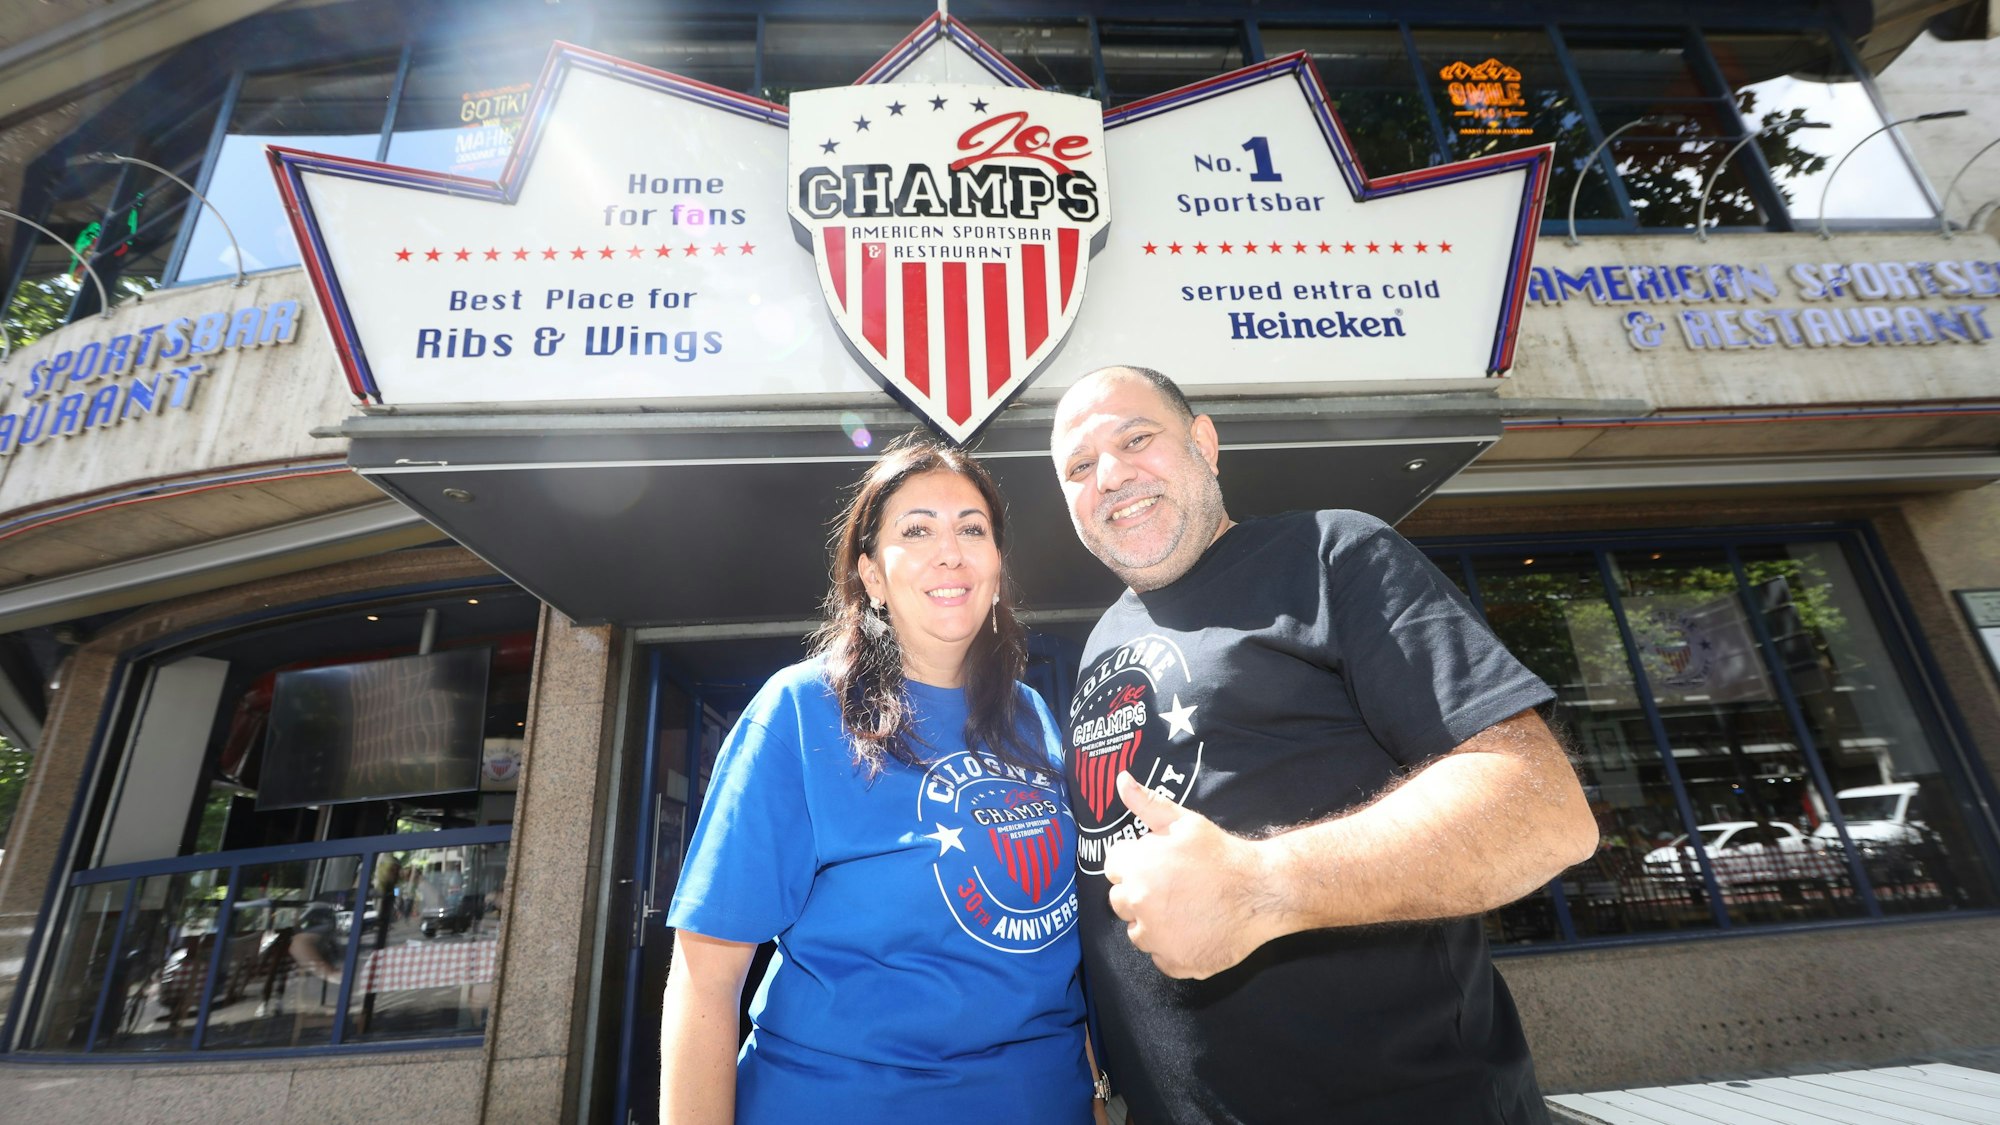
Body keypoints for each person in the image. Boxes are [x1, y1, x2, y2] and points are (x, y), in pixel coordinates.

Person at [1049, 366, 1600, 1125]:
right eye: (1079, 466)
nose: (1110, 475)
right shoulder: (1104, 639)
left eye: (1136, 439)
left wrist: (1262, 884)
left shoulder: (1331, 553)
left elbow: (1541, 809)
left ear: (1204, 442)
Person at [660, 435, 1096, 1124]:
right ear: (871, 576)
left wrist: (1096, 1091)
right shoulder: (801, 710)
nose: (949, 551)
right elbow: (705, 979)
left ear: (996, 564)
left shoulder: (1033, 716)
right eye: (916, 530)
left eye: (972, 529)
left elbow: (1064, 951)